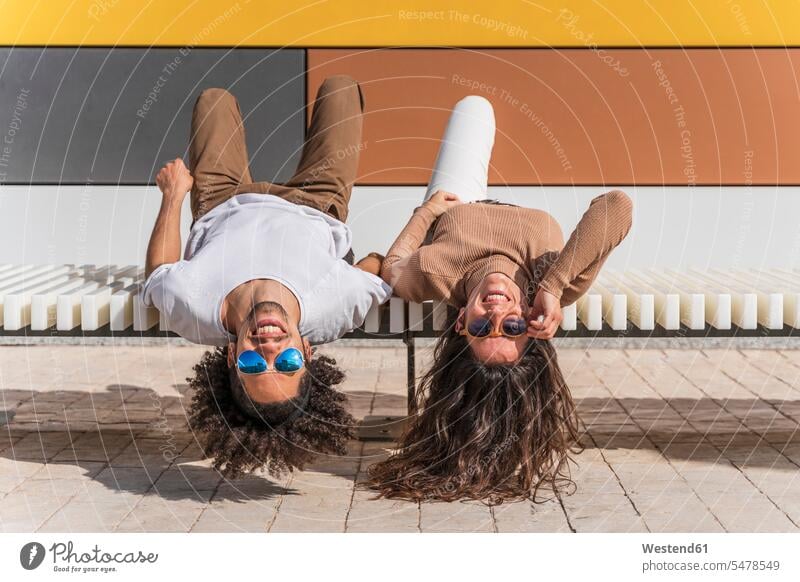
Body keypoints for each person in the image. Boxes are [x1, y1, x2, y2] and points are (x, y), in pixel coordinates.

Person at [366, 95, 633, 503]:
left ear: (460, 323)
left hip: (459, 200)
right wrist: (552, 285)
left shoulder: (437, 273)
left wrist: (428, 211)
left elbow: (393, 265)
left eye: (480, 326)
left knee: (473, 106)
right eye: (512, 327)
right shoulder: (554, 282)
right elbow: (617, 205)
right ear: (530, 322)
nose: (496, 310)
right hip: (528, 247)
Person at [140, 76, 389, 478]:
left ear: (232, 356)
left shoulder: (195, 309)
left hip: (222, 200)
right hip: (315, 202)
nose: (270, 348)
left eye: (255, 365)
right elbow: (377, 270)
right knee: (340, 89)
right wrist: (362, 259)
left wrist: (173, 195)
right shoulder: (333, 308)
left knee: (213, 98)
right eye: (287, 362)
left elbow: (158, 275)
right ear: (307, 352)